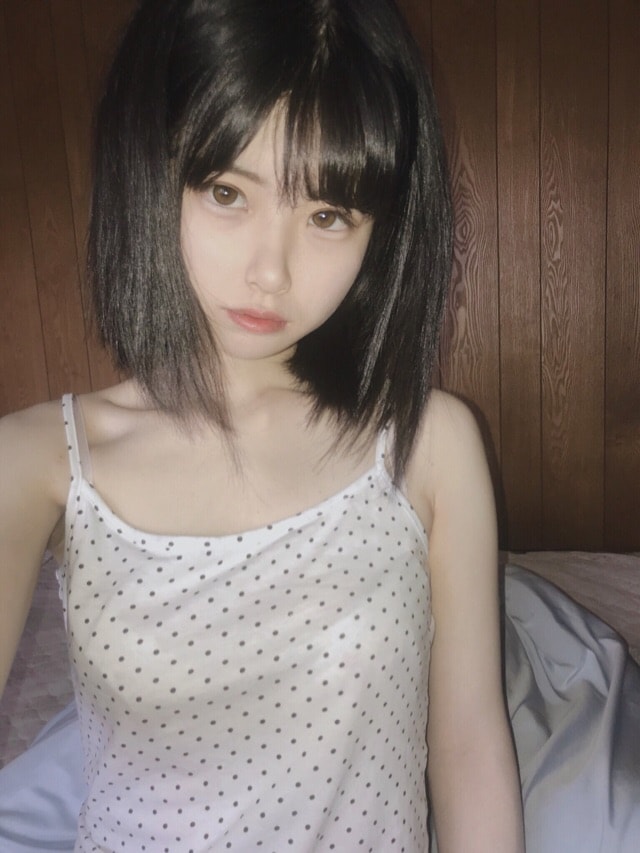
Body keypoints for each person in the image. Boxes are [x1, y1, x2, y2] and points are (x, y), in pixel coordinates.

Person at [0, 0, 525, 849]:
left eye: (327, 215)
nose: (269, 271)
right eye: (226, 192)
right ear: (151, 172)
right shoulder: (38, 462)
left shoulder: (429, 443)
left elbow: (467, 745)